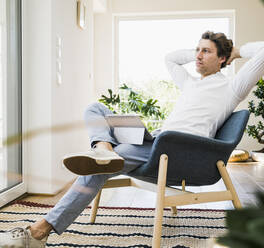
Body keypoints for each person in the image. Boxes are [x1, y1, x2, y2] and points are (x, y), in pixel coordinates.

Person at [1, 31, 264, 248]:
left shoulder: (232, 88)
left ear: (222, 59)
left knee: (102, 167)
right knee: (95, 109)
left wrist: (235, 51)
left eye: (206, 51)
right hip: (158, 142)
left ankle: (38, 231)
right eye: (197, 49)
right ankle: (103, 149)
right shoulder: (190, 83)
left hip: (180, 152)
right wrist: (205, 47)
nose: (197, 55)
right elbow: (170, 58)